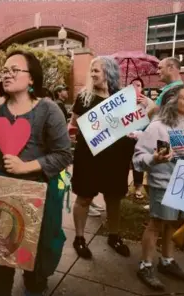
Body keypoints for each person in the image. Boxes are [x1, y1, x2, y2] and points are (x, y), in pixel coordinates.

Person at [0, 49, 72, 296]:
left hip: (37, 198)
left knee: (35, 261)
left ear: (32, 78)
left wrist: (25, 166)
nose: (7, 74)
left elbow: (64, 155)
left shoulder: (48, 109)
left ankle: (34, 285)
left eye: (15, 69)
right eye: (5, 70)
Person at [70, 56, 134, 259]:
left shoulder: (121, 97)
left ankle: (114, 236)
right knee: (84, 198)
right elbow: (73, 125)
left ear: (109, 72)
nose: (93, 74)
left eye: (96, 70)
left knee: (114, 198)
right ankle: (79, 238)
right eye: (92, 71)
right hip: (89, 157)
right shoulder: (84, 97)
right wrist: (81, 129)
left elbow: (130, 126)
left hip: (116, 158)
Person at [133, 84, 184, 291]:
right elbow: (138, 159)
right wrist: (155, 159)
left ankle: (167, 261)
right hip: (164, 184)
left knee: (172, 224)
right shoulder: (157, 127)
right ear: (173, 102)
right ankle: (145, 265)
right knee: (156, 223)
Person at [127, 77, 155, 199]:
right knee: (125, 162)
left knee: (138, 162)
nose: (135, 88)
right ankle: (124, 187)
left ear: (142, 88)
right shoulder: (125, 101)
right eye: (133, 85)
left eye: (138, 85)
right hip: (127, 137)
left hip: (141, 138)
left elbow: (153, 119)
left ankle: (138, 187)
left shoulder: (148, 102)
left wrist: (144, 107)